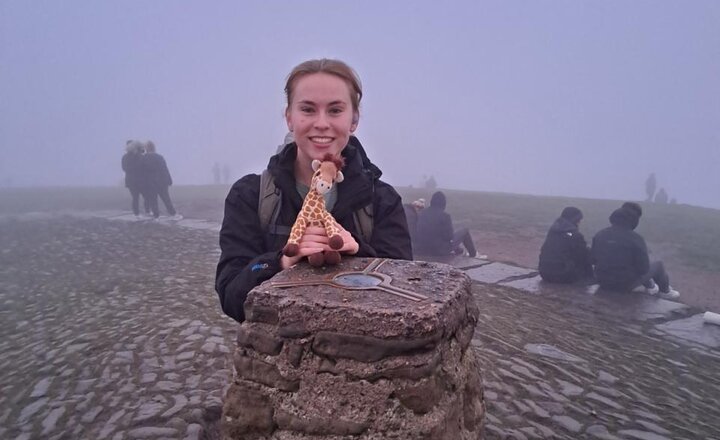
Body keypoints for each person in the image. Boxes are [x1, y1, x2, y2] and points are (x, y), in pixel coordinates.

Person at [215, 58, 412, 323]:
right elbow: (231, 297)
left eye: (335, 110)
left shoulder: (382, 201)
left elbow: (403, 299)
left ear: (353, 120)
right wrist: (281, 262)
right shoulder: (250, 195)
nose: (321, 123)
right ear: (289, 118)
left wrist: (358, 254)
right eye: (307, 109)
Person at [591, 203, 680, 299]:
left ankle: (651, 287)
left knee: (631, 264)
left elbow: (593, 259)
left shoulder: (600, 234)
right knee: (658, 265)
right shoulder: (635, 239)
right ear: (634, 221)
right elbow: (644, 269)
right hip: (623, 284)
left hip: (602, 281)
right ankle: (665, 291)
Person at [538, 206, 593, 283]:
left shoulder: (552, 231)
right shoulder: (575, 235)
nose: (579, 222)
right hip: (562, 275)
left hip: (544, 273)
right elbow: (583, 256)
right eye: (578, 220)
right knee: (585, 255)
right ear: (574, 219)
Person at [414, 191, 477, 258]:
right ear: (444, 204)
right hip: (439, 251)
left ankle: (459, 251)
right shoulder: (445, 216)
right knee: (465, 231)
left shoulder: (422, 213)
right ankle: (473, 255)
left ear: (431, 202)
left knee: (443, 238)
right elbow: (449, 237)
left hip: (422, 249)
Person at [142, 140, 182, 220]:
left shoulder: (144, 158)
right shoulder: (159, 157)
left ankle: (156, 215)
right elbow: (164, 169)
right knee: (166, 198)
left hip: (150, 182)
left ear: (146, 148)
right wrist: (169, 180)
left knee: (153, 200)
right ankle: (173, 214)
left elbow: (142, 172)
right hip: (161, 181)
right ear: (153, 148)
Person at [121, 140, 146, 219]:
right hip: (137, 180)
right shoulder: (135, 156)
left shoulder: (127, 157)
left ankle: (138, 213)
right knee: (139, 197)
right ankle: (139, 213)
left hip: (132, 181)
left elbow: (125, 168)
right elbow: (126, 168)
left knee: (138, 197)